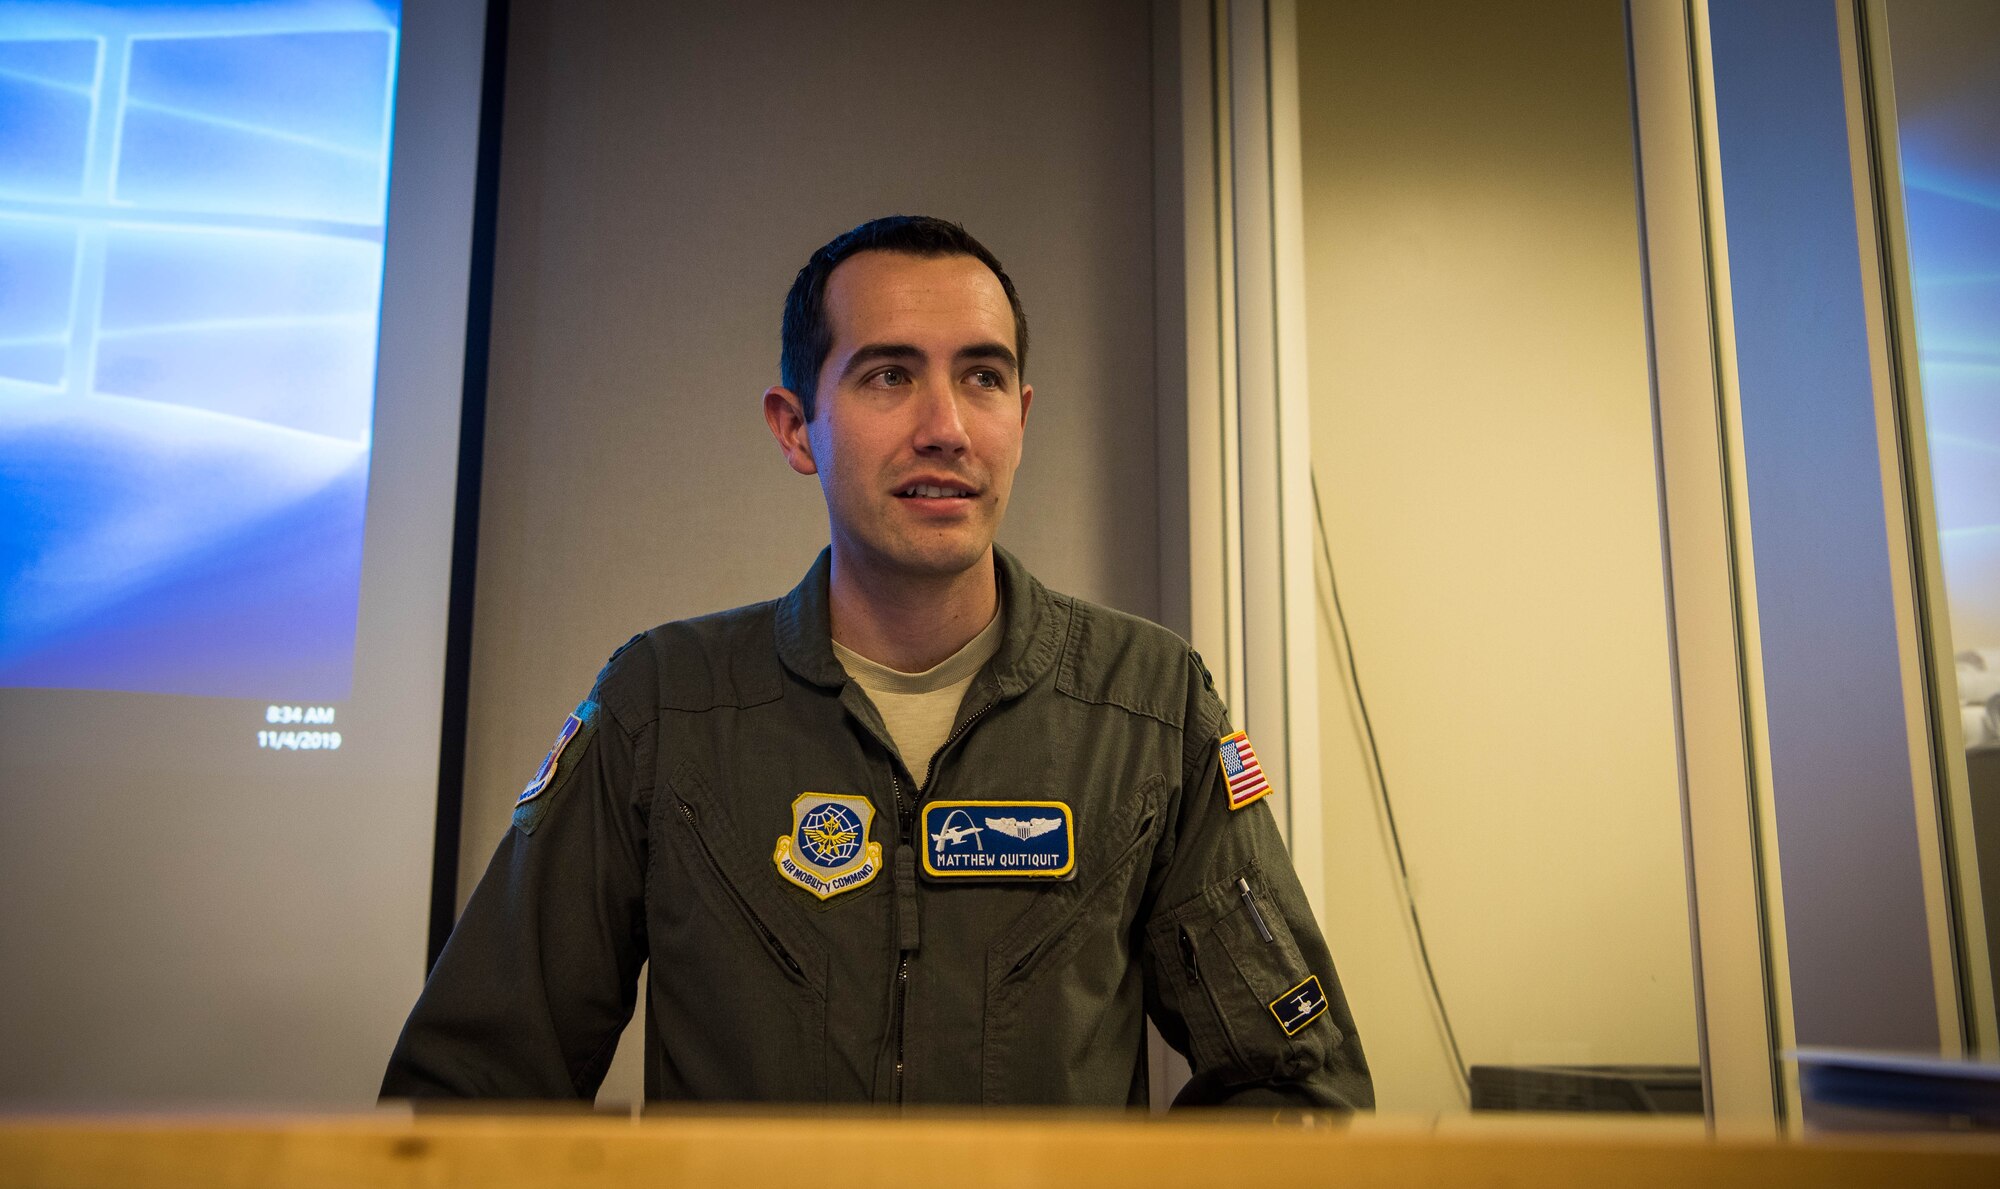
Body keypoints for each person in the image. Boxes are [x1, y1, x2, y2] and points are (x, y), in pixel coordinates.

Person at [381, 216, 1372, 1108]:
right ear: (793, 427)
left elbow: (1296, 1085)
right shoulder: (663, 707)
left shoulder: (1148, 709)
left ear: (1020, 418)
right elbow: (471, 1088)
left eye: (981, 376)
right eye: (889, 374)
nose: (944, 426)